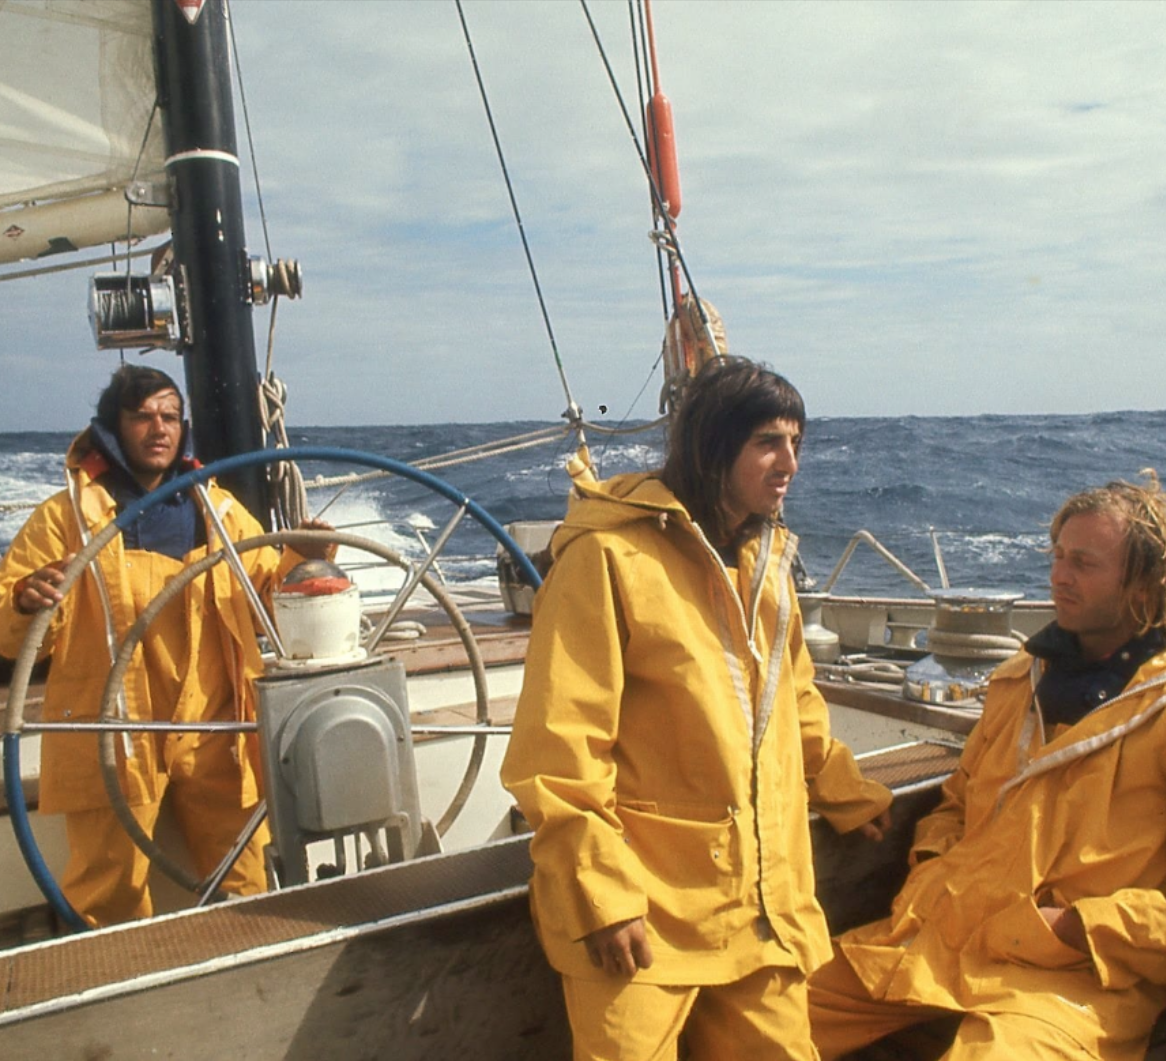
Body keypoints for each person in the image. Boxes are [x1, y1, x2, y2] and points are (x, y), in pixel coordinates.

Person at [501, 355, 893, 1061]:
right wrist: (602, 895)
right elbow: (557, 751)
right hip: (644, 910)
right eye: (768, 443)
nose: (790, 464)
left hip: (760, 907)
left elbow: (792, 696)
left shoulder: (766, 561)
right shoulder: (607, 558)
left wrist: (840, 786)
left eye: (796, 443)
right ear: (715, 447)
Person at [808, 472, 1166, 1060]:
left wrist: (1077, 929)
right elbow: (958, 799)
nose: (1059, 576)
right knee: (764, 1019)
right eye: (1057, 556)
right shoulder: (1020, 680)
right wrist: (933, 866)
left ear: (1145, 585)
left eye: (1083, 563)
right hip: (941, 937)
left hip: (1071, 978)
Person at [0, 364, 331, 927]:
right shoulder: (64, 519)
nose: (159, 429)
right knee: (107, 891)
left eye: (171, 417)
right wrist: (26, 600)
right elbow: (14, 635)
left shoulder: (221, 513)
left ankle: (253, 966)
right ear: (111, 428)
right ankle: (110, 978)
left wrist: (305, 557)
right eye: (143, 416)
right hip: (112, 730)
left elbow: (268, 599)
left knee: (244, 879)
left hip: (216, 725)